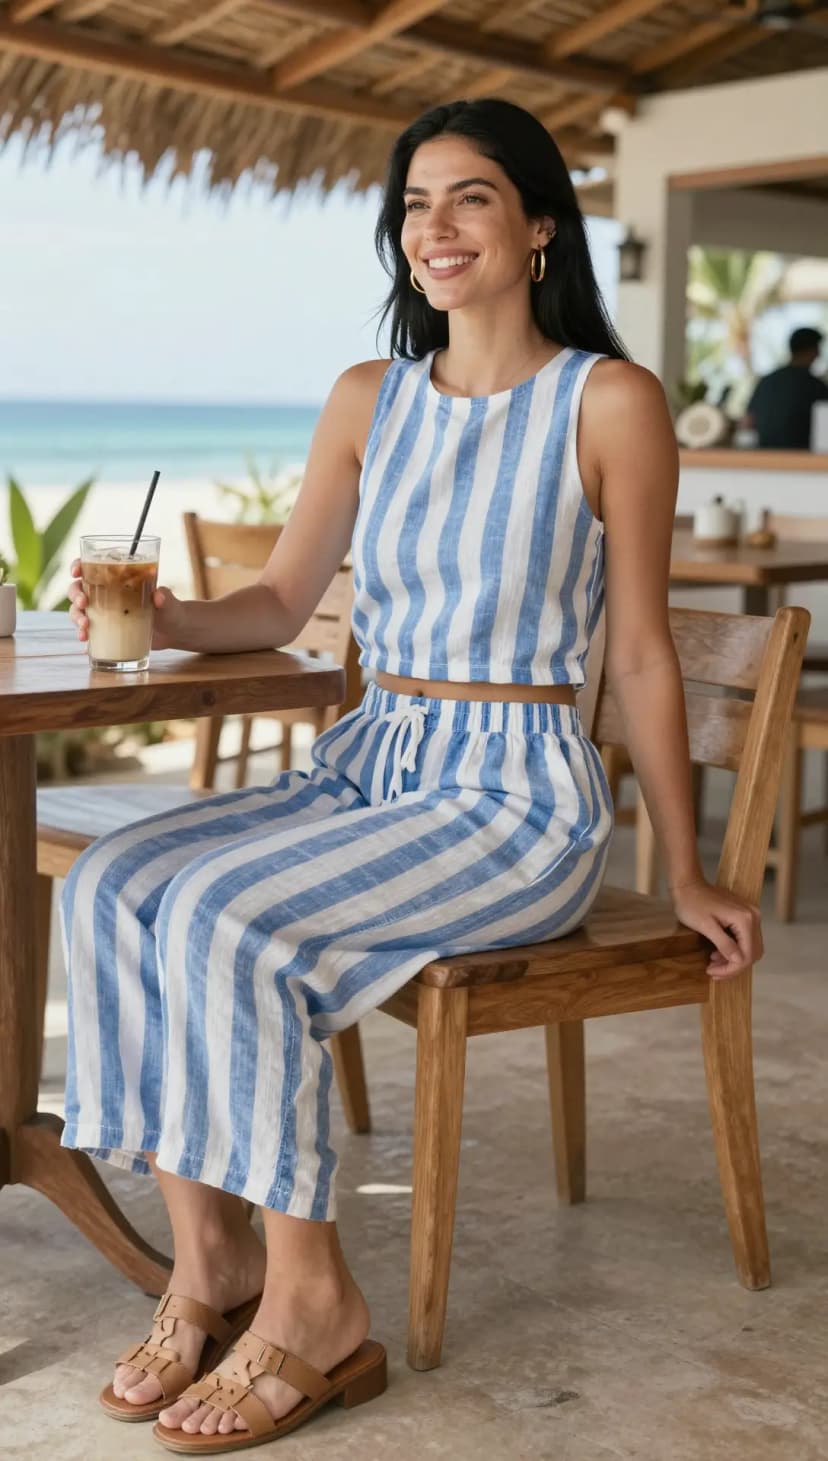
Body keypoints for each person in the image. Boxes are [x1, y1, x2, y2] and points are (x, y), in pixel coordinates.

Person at [64, 98, 763, 1453]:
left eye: (470, 197)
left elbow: (637, 651)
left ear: (540, 225)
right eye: (414, 204)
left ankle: (317, 1304)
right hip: (375, 760)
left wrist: (682, 866)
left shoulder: (609, 402)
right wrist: (154, 614)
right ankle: (211, 1264)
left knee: (226, 917)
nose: (433, 228)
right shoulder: (368, 398)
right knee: (114, 879)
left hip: (514, 799)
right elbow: (279, 602)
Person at [743, 326, 828, 449]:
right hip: (802, 456)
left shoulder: (767, 381)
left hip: (764, 454)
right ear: (812, 350)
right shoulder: (815, 386)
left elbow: (748, 421)